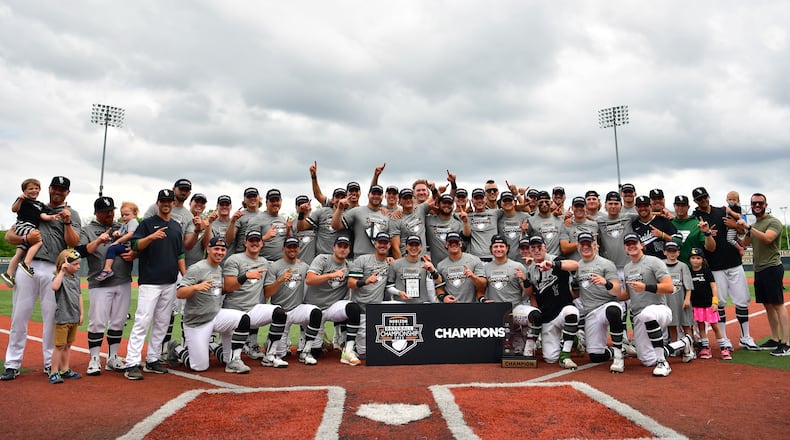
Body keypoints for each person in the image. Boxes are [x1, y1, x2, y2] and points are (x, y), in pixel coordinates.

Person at [1, 176, 80, 382]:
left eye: (63, 189)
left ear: (67, 193)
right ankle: (12, 364)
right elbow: (9, 236)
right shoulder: (34, 207)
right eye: (55, 188)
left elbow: (73, 242)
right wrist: (26, 239)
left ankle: (49, 364)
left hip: (53, 269)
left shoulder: (72, 214)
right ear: (50, 189)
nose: (58, 192)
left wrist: (67, 220)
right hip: (30, 265)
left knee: (51, 319)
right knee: (19, 315)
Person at [123, 189, 186, 380]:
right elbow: (135, 246)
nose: (166, 204)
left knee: (162, 323)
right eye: (163, 201)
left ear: (173, 203)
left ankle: (152, 359)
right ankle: (132, 363)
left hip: (169, 281)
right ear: (158, 203)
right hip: (150, 281)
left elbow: (180, 254)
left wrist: (185, 276)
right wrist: (151, 236)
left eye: (169, 201)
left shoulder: (176, 226)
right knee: (142, 321)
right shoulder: (147, 224)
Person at [168, 236, 252, 374]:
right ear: (208, 249)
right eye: (216, 249)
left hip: (215, 315)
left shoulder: (219, 269)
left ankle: (233, 360)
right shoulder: (197, 268)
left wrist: (245, 277)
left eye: (223, 249)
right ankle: (176, 348)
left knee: (243, 318)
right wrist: (196, 287)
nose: (220, 252)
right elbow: (180, 293)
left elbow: (223, 289)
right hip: (197, 322)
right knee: (199, 367)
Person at [692, 186, 758, 351]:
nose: (703, 200)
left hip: (734, 263)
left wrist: (735, 225)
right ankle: (724, 339)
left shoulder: (722, 211)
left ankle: (746, 338)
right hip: (714, 266)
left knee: (742, 301)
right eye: (699, 199)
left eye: (705, 197)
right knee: (719, 304)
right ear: (695, 201)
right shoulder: (695, 217)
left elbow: (742, 230)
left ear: (708, 196)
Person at [77, 197, 135, 375]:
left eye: (112, 210)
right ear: (96, 212)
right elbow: (81, 252)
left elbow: (135, 243)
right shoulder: (87, 229)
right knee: (97, 322)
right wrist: (99, 240)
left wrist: (135, 254)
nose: (110, 213)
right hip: (100, 283)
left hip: (124, 280)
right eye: (105, 211)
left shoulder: (121, 226)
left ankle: (113, 357)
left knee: (118, 321)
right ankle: (94, 359)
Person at [622, 232, 690, 377]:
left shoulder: (654, 261)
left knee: (648, 313)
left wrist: (646, 287)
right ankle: (684, 342)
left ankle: (662, 362)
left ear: (642, 245)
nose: (632, 246)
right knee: (647, 360)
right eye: (628, 244)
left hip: (659, 310)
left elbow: (669, 287)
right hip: (639, 315)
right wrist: (607, 285)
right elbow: (627, 295)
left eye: (634, 242)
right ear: (625, 248)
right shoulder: (627, 268)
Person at [221, 230, 289, 367]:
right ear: (245, 242)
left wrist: (279, 281)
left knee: (280, 313)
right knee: (222, 360)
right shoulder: (235, 259)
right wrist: (245, 276)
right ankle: (220, 351)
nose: (254, 243)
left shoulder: (264, 262)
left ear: (262, 244)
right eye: (251, 240)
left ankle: (269, 355)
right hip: (233, 311)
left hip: (252, 310)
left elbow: (267, 292)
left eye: (257, 240)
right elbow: (228, 287)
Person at [740, 193, 789, 355]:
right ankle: (775, 339)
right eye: (754, 203)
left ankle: (786, 343)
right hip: (759, 269)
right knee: (768, 305)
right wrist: (737, 227)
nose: (757, 206)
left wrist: (748, 228)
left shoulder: (773, 222)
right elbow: (743, 243)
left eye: (760, 203)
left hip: (772, 267)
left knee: (778, 304)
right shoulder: (756, 224)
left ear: (766, 204)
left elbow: (768, 239)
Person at [304, 235, 363, 365]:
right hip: (315, 308)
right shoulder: (322, 259)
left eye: (345, 247)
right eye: (340, 246)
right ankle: (319, 343)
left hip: (332, 308)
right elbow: (309, 280)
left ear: (349, 250)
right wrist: (331, 274)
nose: (342, 249)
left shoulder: (350, 266)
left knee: (353, 308)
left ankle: (347, 351)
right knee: (315, 352)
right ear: (334, 248)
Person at [523, 236, 580, 369]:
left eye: (539, 247)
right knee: (550, 358)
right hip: (547, 316)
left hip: (562, 310)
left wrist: (553, 265)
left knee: (572, 312)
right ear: (530, 251)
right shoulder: (530, 269)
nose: (536, 250)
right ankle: (572, 339)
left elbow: (575, 265)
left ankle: (565, 354)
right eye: (533, 248)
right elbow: (531, 294)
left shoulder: (556, 260)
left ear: (545, 247)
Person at [263, 236, 323, 365]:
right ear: (283, 248)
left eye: (294, 247)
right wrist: (280, 280)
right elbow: (267, 293)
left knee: (316, 312)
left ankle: (306, 351)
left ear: (299, 249)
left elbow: (314, 279)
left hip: (297, 309)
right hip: (280, 312)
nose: (292, 249)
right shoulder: (274, 266)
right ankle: (270, 344)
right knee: (281, 354)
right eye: (289, 247)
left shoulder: (304, 266)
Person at [480, 235, 542, 357]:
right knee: (505, 352)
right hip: (495, 311)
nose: (499, 249)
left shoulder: (517, 266)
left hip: (515, 309)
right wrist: (483, 300)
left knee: (534, 314)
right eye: (496, 246)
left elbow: (529, 293)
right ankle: (515, 339)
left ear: (507, 248)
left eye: (501, 246)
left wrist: (524, 280)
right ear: (491, 249)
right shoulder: (485, 268)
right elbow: (480, 290)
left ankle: (531, 342)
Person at [573, 232, 626, 374]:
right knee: (596, 356)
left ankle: (619, 355)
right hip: (591, 311)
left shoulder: (606, 263)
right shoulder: (576, 267)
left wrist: (606, 283)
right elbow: (576, 295)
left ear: (595, 245)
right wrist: (573, 285)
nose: (585, 247)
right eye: (582, 244)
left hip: (607, 305)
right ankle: (611, 351)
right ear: (578, 246)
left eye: (588, 244)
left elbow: (617, 292)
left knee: (613, 311)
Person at [2, 178, 61, 287]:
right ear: (24, 191)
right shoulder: (23, 200)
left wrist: (52, 216)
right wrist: (19, 200)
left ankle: (9, 274)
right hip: (23, 225)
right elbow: (14, 209)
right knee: (38, 241)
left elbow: (42, 216)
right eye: (31, 189)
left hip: (29, 228)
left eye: (36, 188)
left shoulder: (40, 204)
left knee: (19, 253)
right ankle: (26, 263)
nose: (34, 190)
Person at [347, 232, 392, 358]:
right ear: (375, 244)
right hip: (361, 308)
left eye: (385, 243)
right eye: (380, 243)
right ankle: (351, 343)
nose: (382, 245)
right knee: (364, 353)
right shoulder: (363, 260)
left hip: (377, 309)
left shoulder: (390, 264)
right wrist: (365, 282)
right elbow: (350, 283)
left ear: (389, 245)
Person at [48, 249, 84, 384]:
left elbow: (79, 295)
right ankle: (53, 372)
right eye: (75, 264)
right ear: (65, 264)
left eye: (79, 264)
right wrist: (62, 272)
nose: (78, 267)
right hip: (63, 317)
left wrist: (81, 313)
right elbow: (54, 287)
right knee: (59, 346)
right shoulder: (59, 277)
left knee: (68, 345)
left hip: (74, 316)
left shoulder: (76, 278)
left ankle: (65, 369)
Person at [688, 247, 731, 360]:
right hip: (697, 305)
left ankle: (723, 348)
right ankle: (705, 348)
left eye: (698, 258)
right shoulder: (689, 272)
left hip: (708, 305)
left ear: (702, 259)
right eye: (693, 258)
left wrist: (715, 302)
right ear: (689, 259)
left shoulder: (706, 271)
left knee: (715, 326)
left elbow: (713, 286)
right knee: (701, 327)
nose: (695, 260)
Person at [332, 185, 390, 257]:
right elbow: (336, 226)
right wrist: (340, 208)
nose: (376, 196)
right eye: (374, 193)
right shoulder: (357, 211)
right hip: (360, 257)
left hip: (380, 259)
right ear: (368, 195)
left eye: (379, 194)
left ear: (383, 196)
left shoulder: (386, 214)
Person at [663, 241, 696, 363]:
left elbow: (688, 285)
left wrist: (687, 299)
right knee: (672, 325)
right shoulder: (662, 266)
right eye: (669, 251)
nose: (672, 253)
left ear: (678, 252)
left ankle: (690, 348)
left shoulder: (683, 266)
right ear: (665, 252)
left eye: (674, 251)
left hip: (681, 299)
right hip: (667, 299)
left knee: (686, 325)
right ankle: (675, 347)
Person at [386, 235, 441, 303]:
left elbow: (438, 281)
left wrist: (432, 270)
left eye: (416, 245)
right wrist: (399, 293)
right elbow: (389, 287)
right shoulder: (395, 264)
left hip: (421, 303)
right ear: (406, 247)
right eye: (411, 245)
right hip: (402, 304)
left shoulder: (426, 263)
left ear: (421, 247)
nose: (414, 248)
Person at [435, 232, 487, 303]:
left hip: (471, 305)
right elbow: (439, 288)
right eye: (450, 242)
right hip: (450, 306)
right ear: (446, 245)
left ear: (461, 244)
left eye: (456, 242)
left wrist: (473, 276)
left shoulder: (474, 260)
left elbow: (483, 285)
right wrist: (444, 298)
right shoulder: (441, 265)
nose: (453, 245)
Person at [95, 201, 139, 281]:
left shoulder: (133, 222)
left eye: (127, 215)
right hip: (125, 245)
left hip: (129, 246)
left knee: (112, 248)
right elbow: (121, 232)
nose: (124, 217)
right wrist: (117, 233)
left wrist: (117, 242)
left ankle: (107, 269)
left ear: (135, 214)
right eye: (122, 215)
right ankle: (107, 269)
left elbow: (130, 234)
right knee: (112, 249)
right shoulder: (125, 223)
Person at [670, 195, 715, 266]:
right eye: (678, 205)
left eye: (683, 205)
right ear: (674, 206)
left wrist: (707, 233)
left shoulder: (697, 224)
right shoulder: (669, 224)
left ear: (688, 207)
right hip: (673, 268)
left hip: (694, 268)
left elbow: (711, 248)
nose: (680, 208)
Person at [425, 194, 469, 263]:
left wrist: (466, 222)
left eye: (449, 203)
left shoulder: (458, 222)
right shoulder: (428, 220)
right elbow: (417, 211)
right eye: (444, 203)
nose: (447, 205)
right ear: (438, 204)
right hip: (435, 266)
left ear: (453, 205)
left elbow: (467, 236)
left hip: (455, 265)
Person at [631, 195, 677, 259]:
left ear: (651, 206)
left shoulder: (663, 220)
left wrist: (662, 235)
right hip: (644, 262)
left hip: (664, 260)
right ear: (636, 208)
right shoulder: (634, 224)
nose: (642, 208)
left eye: (645, 206)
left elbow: (677, 241)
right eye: (639, 206)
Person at [389, 188, 430, 259]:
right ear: (399, 201)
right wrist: (400, 265)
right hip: (406, 260)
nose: (408, 200)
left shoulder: (421, 209)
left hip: (422, 260)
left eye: (410, 197)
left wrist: (434, 189)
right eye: (405, 198)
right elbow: (395, 248)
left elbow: (435, 199)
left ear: (414, 199)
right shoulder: (395, 219)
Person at [559, 196, 599, 261]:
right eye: (576, 206)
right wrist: (585, 242)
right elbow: (564, 248)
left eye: (581, 206)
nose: (579, 208)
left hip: (594, 266)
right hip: (575, 266)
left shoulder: (594, 225)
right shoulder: (566, 225)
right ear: (572, 208)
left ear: (586, 207)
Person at [527, 191, 564, 256]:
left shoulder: (560, 220)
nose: (544, 204)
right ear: (536, 203)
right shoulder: (530, 221)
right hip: (539, 259)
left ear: (551, 202)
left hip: (556, 259)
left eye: (546, 201)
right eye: (541, 202)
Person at [292, 195, 317, 264]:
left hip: (314, 264)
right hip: (298, 262)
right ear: (296, 207)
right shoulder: (292, 224)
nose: (302, 206)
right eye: (300, 205)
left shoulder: (316, 221)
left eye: (305, 204)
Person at [723, 191, 746, 257]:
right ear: (726, 200)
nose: (732, 201)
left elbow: (738, 216)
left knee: (730, 239)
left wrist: (730, 212)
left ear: (738, 201)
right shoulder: (727, 207)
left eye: (734, 200)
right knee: (735, 238)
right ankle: (743, 245)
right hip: (728, 226)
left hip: (733, 227)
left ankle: (740, 248)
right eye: (730, 199)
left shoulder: (737, 207)